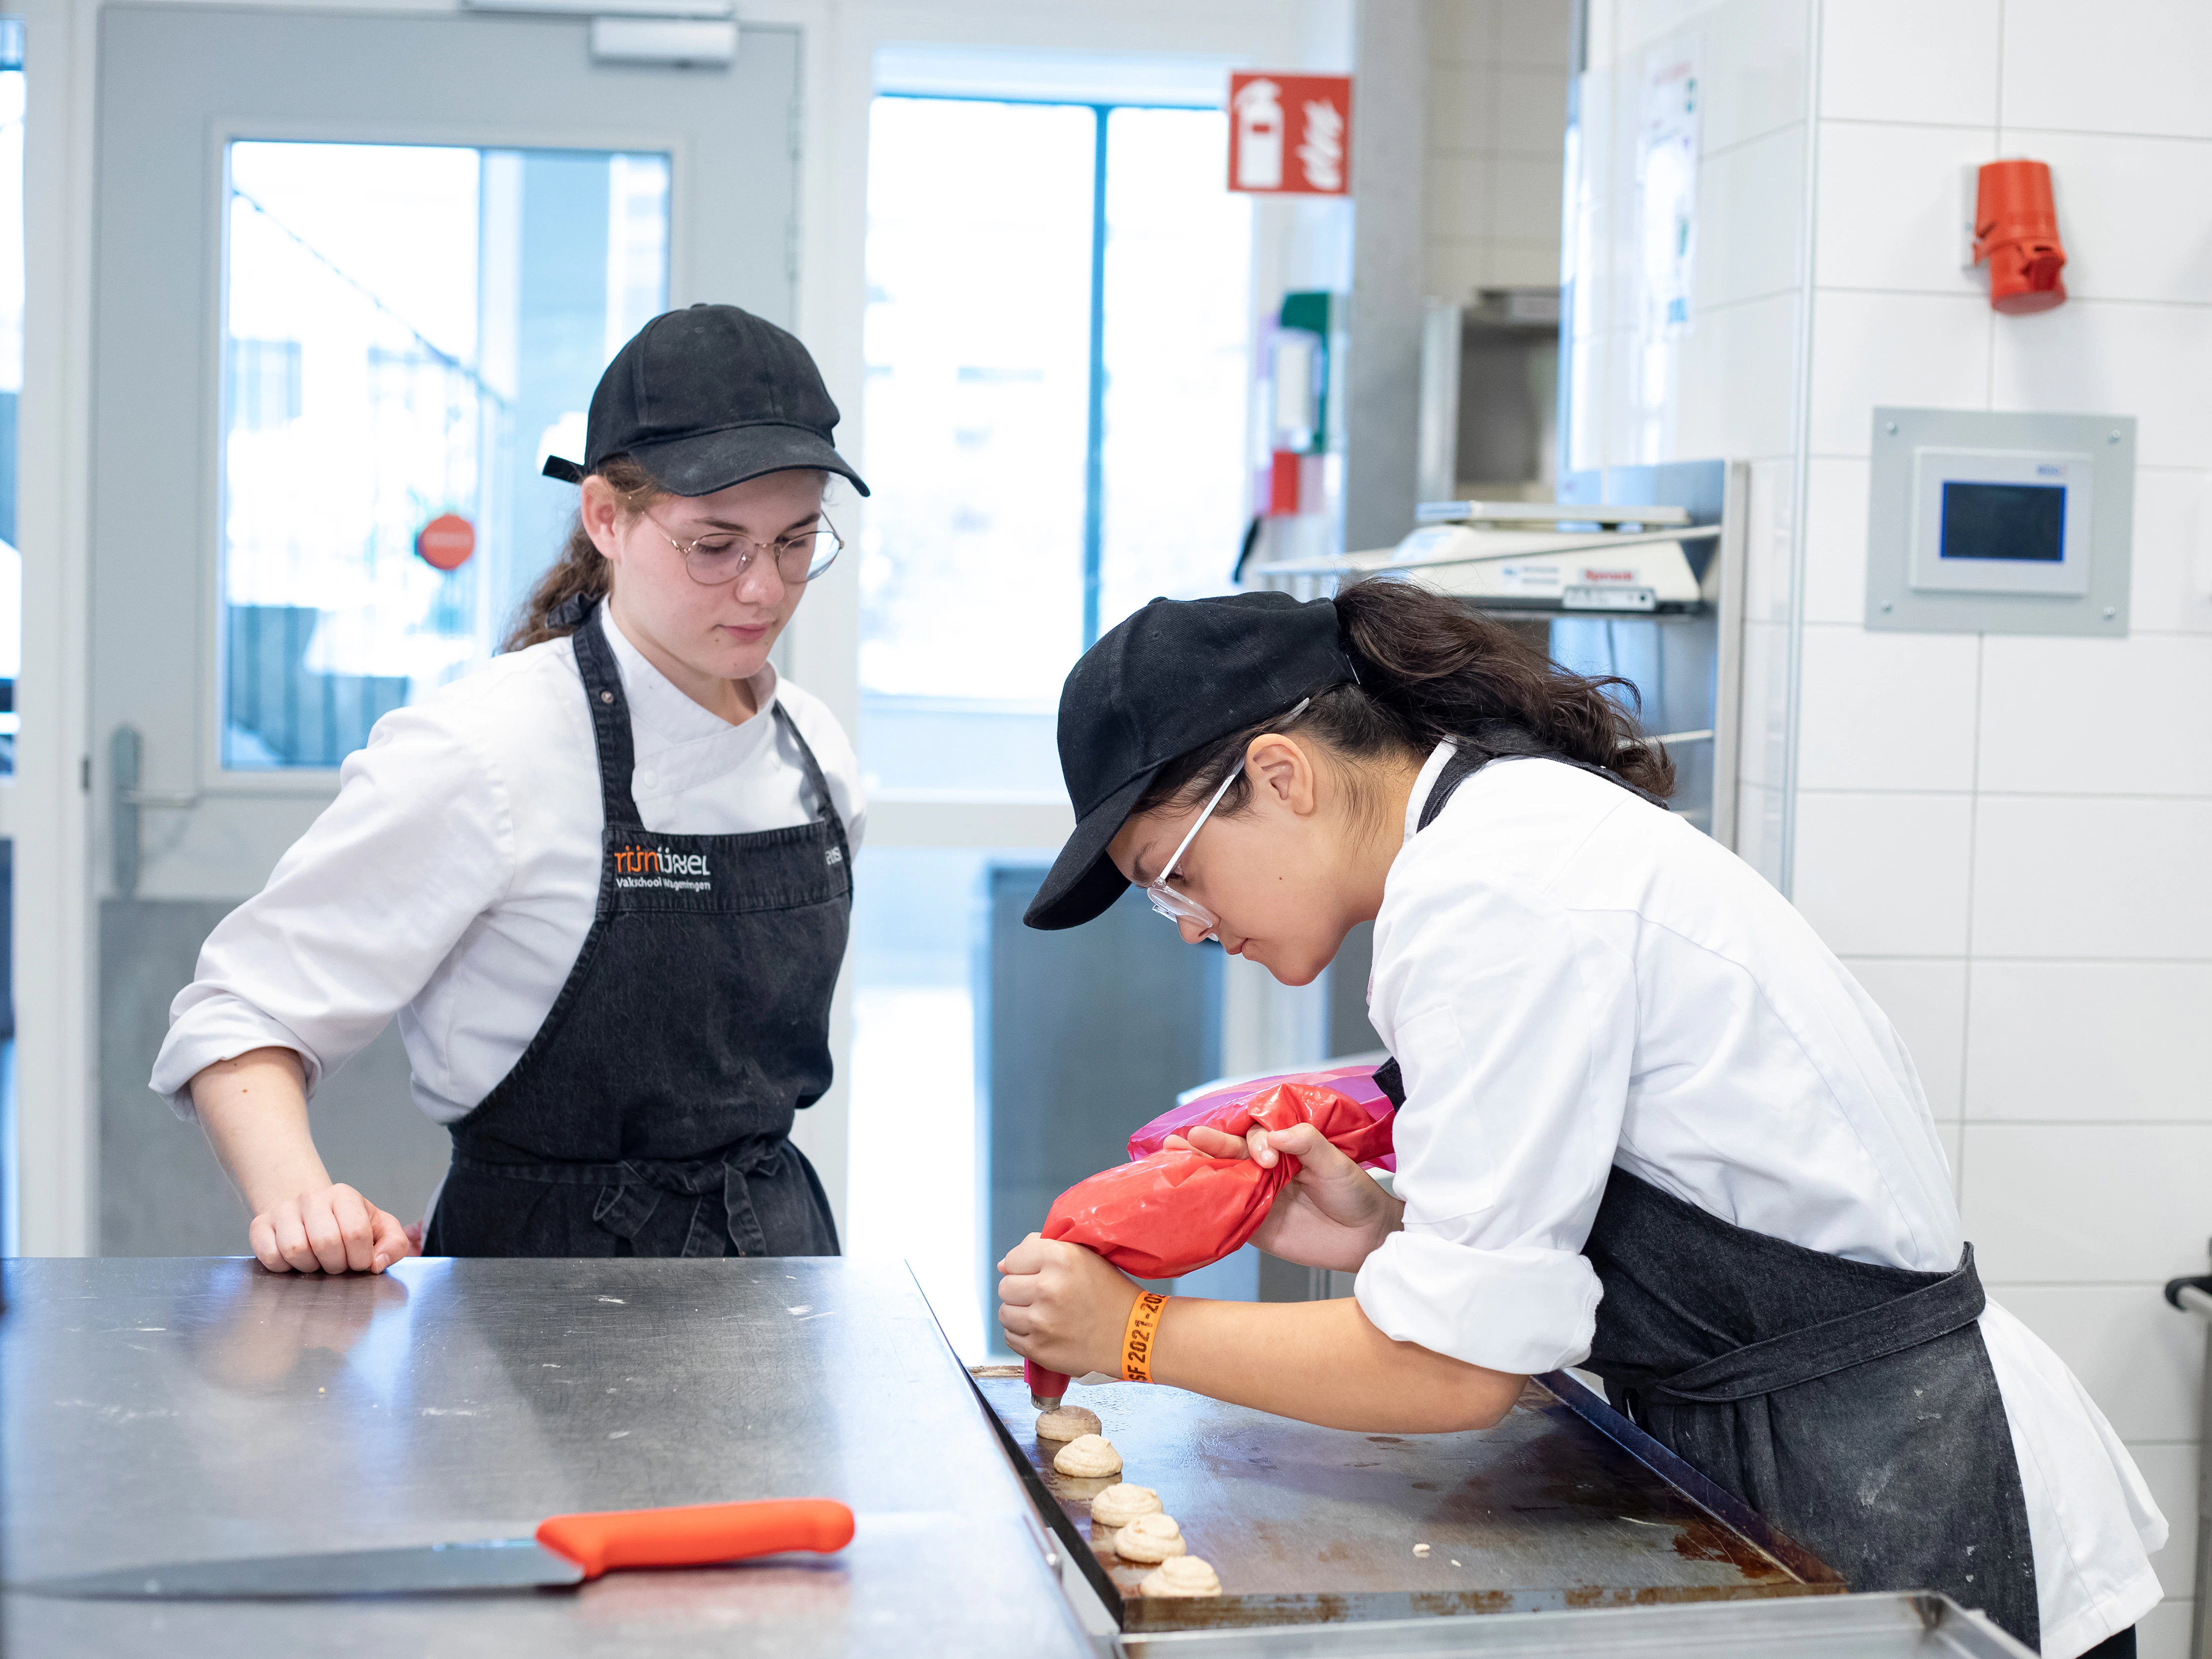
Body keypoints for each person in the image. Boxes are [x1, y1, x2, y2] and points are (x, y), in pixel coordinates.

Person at [997, 583, 2163, 1659]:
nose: (1189, 926)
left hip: (1910, 1489)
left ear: (1280, 774)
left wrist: (1130, 1331)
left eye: (1173, 876)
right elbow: (1646, 1217)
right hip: (1838, 1459)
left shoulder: (1486, 893)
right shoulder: (1502, 835)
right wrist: (1382, 1229)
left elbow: (1449, 1376)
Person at [152, 303, 866, 1271]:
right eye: (715, 544)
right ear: (605, 517)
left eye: (795, 541)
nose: (763, 589)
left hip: (774, 1273)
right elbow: (241, 1009)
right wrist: (300, 1201)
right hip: (532, 1296)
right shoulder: (484, 751)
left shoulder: (813, 752)